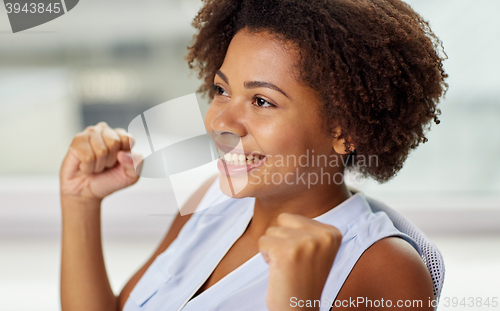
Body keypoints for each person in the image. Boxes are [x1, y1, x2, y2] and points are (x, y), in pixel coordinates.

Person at [59, 0, 447, 310]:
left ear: (346, 130)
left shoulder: (386, 268)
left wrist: (298, 302)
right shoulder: (210, 199)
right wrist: (80, 202)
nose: (221, 122)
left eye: (262, 101)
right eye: (222, 90)